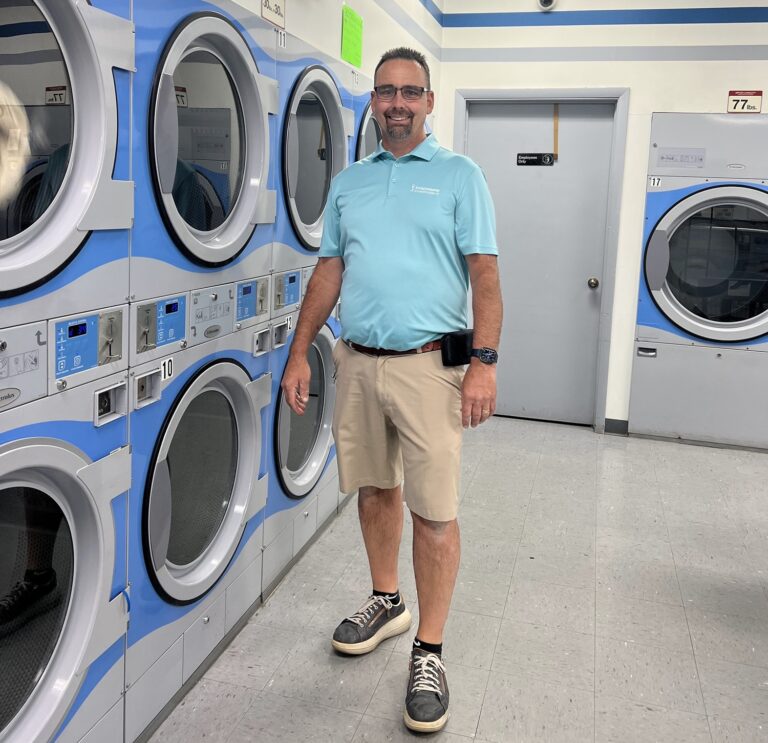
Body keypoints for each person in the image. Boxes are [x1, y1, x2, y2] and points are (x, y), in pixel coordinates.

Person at [281, 46, 502, 733]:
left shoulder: (461, 176)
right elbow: (328, 273)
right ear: (372, 102)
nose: (397, 103)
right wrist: (300, 354)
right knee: (376, 489)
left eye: (410, 92)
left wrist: (485, 363)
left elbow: (486, 276)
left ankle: (429, 649)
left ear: (430, 103)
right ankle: (386, 598)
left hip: (431, 366)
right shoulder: (350, 182)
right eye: (385, 92)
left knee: (435, 512)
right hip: (359, 361)